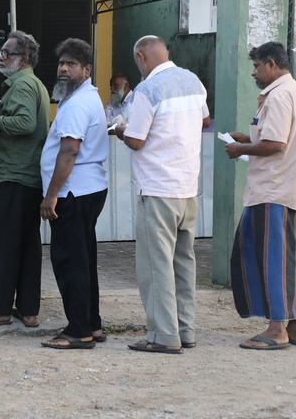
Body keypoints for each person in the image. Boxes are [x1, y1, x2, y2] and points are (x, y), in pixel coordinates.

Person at [115, 35, 210, 355]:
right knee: (184, 264)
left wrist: (120, 130)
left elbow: (137, 140)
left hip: (157, 190)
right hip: (187, 189)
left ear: (141, 56)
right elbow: (205, 120)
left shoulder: (147, 90)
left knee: (156, 267)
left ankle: (163, 335)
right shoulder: (193, 80)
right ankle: (186, 330)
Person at [224, 41, 296, 350]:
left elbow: (275, 144)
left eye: (257, 66)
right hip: (289, 187)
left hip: (273, 190)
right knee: (289, 258)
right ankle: (295, 326)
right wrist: (247, 138)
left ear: (272, 65)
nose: (254, 72)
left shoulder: (279, 96)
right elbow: (276, 139)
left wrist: (240, 149)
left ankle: (277, 329)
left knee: (272, 259)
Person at [0, 30, 51, 328]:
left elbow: (26, 122)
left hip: (16, 174)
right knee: (27, 245)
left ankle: (0, 308)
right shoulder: (34, 84)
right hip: (28, 176)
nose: (1, 57)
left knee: (3, 243)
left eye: (7, 53)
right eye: (1, 52)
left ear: (24, 59)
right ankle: (28, 309)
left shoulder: (23, 85)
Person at [39, 38, 109, 349]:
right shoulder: (84, 97)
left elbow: (69, 152)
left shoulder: (78, 104)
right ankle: (90, 324)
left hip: (72, 194)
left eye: (72, 64)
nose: (64, 69)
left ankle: (79, 330)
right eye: (61, 64)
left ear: (87, 69)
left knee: (70, 262)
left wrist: (50, 195)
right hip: (87, 189)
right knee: (83, 259)